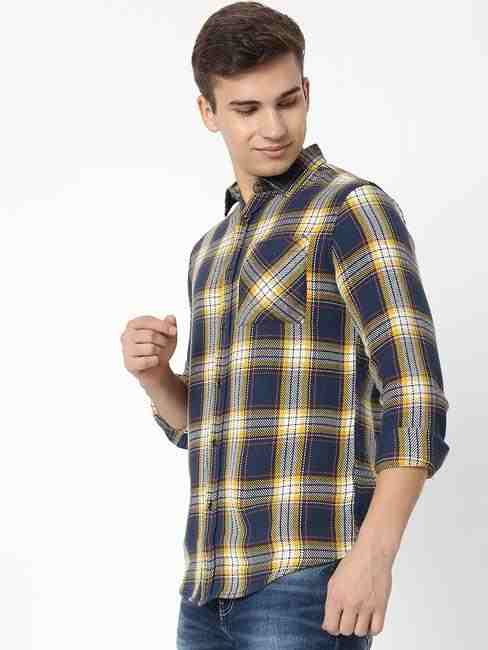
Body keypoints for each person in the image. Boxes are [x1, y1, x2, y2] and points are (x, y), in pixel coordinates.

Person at [120, 2, 450, 648]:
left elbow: (415, 396)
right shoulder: (209, 251)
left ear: (307, 92)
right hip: (205, 591)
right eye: (246, 109)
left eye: (287, 101)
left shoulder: (351, 211)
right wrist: (156, 377)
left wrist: (373, 558)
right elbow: (208, 430)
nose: (273, 127)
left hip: (306, 582)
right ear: (208, 112)